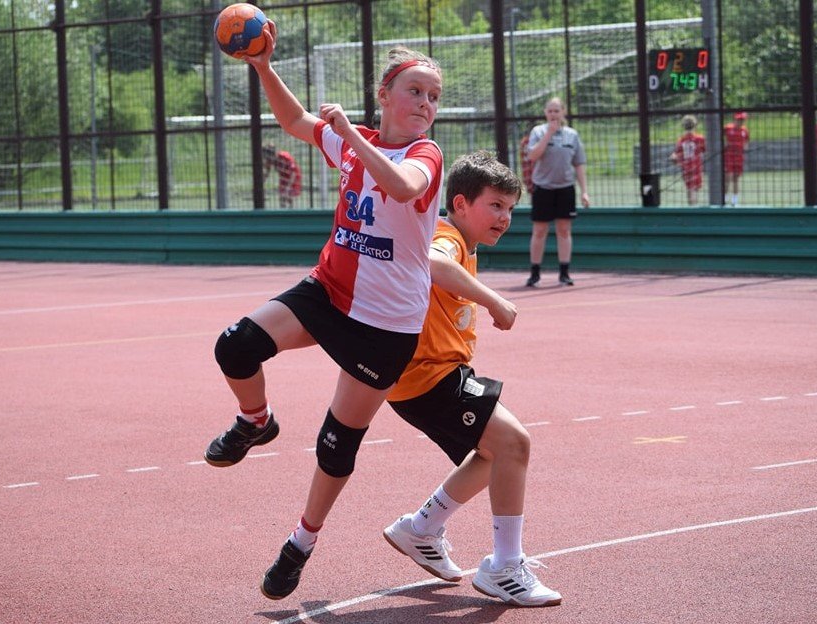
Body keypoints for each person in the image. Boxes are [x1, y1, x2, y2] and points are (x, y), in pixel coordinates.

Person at [203, 21, 445, 601]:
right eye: (415, 90)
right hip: (329, 291)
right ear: (384, 94)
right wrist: (263, 67)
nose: (425, 103)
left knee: (337, 443)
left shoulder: (426, 154)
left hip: (385, 326)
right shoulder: (352, 140)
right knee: (234, 345)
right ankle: (255, 421)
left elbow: (403, 187)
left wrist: (350, 135)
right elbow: (293, 121)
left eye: (434, 96)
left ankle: (300, 543)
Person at [382, 151, 561, 607]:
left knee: (491, 455)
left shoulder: (465, 242)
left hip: (435, 374)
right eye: (495, 205)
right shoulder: (447, 237)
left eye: (510, 208)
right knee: (514, 443)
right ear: (460, 204)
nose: (504, 217)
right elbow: (433, 263)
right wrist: (494, 300)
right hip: (427, 376)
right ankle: (505, 567)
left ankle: (420, 529)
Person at [524, 97, 590, 287]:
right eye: (550, 111)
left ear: (563, 112)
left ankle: (564, 272)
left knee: (564, 230)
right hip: (543, 188)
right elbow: (532, 155)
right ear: (545, 113)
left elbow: (579, 164)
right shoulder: (538, 131)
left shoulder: (572, 135)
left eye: (556, 111)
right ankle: (535, 273)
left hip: (565, 188)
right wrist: (549, 134)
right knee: (539, 230)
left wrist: (584, 192)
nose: (553, 114)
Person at [669, 114, 706, 206]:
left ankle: (691, 206)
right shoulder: (700, 138)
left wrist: (673, 158)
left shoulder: (681, 140)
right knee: (694, 189)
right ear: (695, 125)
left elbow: (675, 154)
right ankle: (693, 207)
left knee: (690, 189)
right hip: (696, 166)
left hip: (686, 167)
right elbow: (705, 149)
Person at [262, 144, 302, 208]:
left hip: (293, 176)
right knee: (282, 197)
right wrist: (260, 183)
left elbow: (293, 173)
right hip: (283, 177)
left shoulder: (284, 156)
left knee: (288, 195)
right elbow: (267, 172)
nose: (266, 159)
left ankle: (292, 210)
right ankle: (283, 210)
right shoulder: (269, 160)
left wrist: (288, 187)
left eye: (266, 156)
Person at [723, 111, 750, 206]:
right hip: (729, 156)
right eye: (739, 119)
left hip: (739, 157)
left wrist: (745, 148)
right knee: (728, 177)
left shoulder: (745, 130)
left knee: (736, 179)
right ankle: (724, 198)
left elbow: (746, 142)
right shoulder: (728, 128)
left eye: (742, 120)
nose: (741, 121)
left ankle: (735, 200)